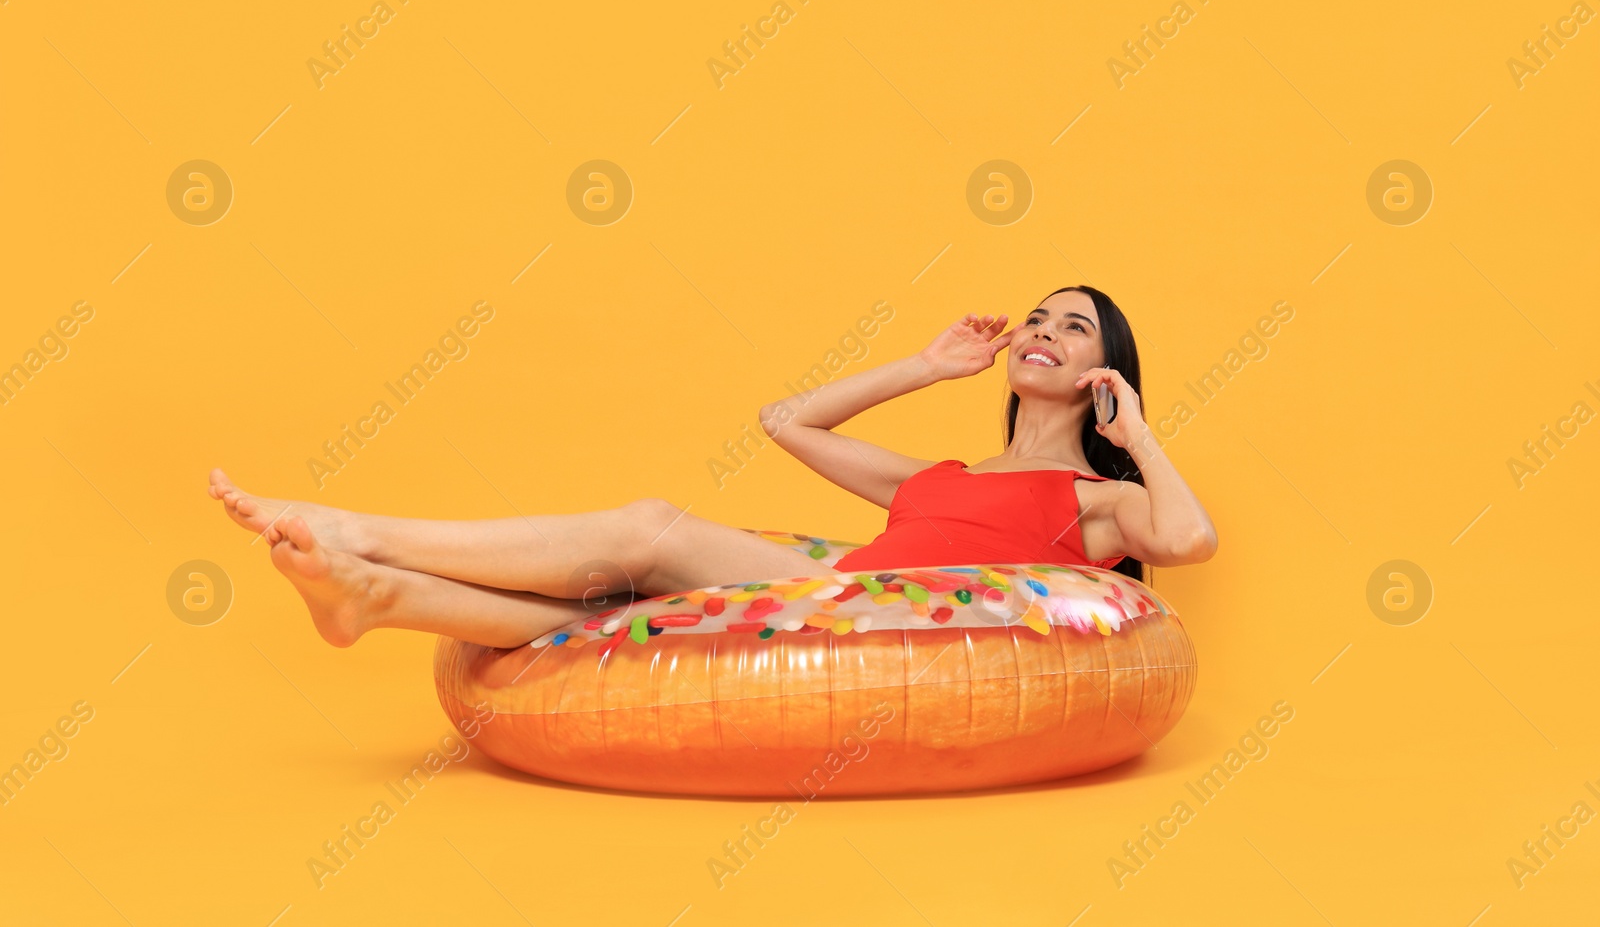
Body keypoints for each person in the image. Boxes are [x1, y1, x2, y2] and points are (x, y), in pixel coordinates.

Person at [210, 285, 1215, 650]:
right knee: (610, 609)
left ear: (1101, 369)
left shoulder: (1100, 501)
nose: (1042, 331)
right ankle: (375, 595)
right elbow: (788, 422)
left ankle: (361, 531)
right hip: (828, 588)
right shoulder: (937, 475)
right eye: (1037, 316)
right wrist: (927, 361)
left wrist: (1134, 435)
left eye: (1073, 327)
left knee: (649, 525)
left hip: (864, 612)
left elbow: (1189, 540)